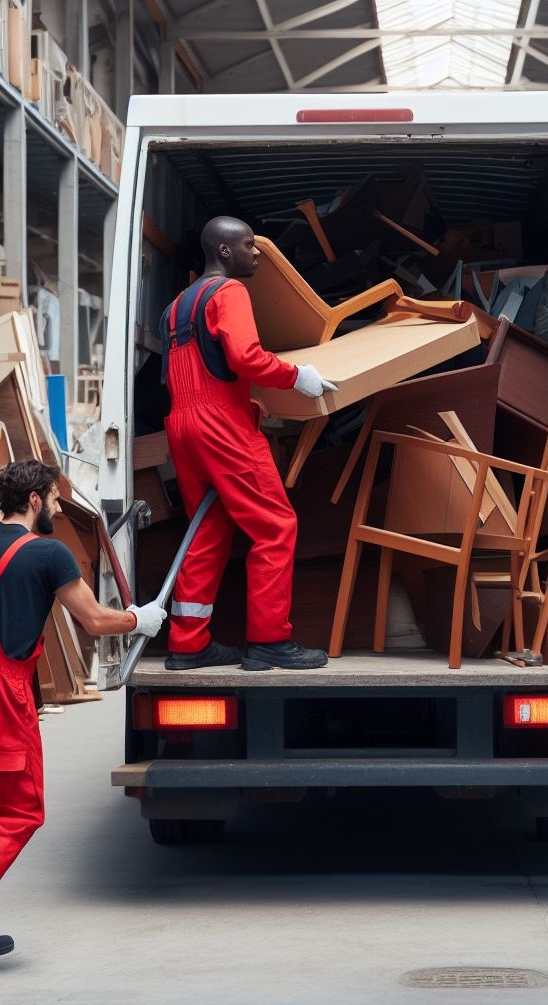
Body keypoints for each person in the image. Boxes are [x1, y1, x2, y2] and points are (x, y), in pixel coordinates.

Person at [0, 459, 166, 977]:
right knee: (21, 809)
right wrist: (141, 619)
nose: (56, 508)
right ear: (38, 500)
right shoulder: (50, 553)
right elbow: (93, 620)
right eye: (54, 497)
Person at [159, 215, 336, 672]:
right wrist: (299, 378)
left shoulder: (178, 305)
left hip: (182, 424)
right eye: (250, 245)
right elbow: (244, 357)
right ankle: (270, 642)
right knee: (275, 526)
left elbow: (186, 376)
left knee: (207, 529)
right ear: (224, 251)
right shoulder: (230, 292)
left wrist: (246, 406)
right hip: (221, 428)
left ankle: (188, 644)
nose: (257, 254)